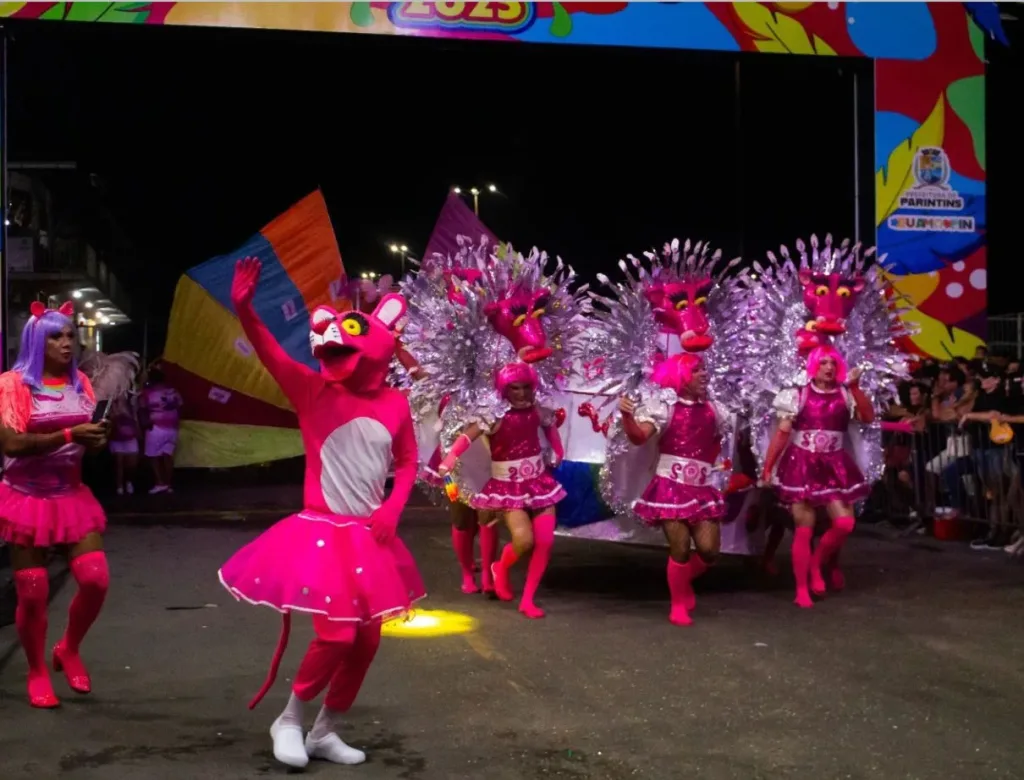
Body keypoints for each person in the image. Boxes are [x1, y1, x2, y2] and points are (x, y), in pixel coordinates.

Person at [218, 258, 424, 770]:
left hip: (371, 536)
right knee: (337, 634)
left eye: (352, 335)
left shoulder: (397, 403)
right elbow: (268, 352)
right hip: (322, 535)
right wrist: (245, 308)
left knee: (367, 639)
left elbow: (407, 460)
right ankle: (288, 718)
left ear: (380, 343)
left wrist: (394, 507)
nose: (334, 346)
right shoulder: (313, 390)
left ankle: (326, 729)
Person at [0, 301, 111, 708]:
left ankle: (68, 647)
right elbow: (11, 443)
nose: (68, 343)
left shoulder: (80, 382)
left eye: (69, 335)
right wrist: (70, 435)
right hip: (25, 497)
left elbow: (88, 443)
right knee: (32, 592)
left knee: (96, 579)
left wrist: (97, 440)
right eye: (56, 336)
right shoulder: (12, 385)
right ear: (35, 341)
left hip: (71, 494)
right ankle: (36, 670)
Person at [439, 362, 565, 618]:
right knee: (524, 540)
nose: (521, 393)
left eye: (526, 387)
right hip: (508, 487)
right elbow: (467, 436)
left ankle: (528, 599)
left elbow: (550, 429)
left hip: (539, 483)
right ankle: (499, 567)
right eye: (514, 388)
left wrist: (558, 451)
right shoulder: (493, 415)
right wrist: (451, 456)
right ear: (505, 390)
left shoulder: (539, 410)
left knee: (546, 542)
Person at [617, 353, 729, 626]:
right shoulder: (665, 408)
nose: (704, 374)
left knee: (710, 551)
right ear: (681, 378)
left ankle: (681, 582)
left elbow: (715, 443)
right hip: (670, 486)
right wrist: (627, 417)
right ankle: (678, 604)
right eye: (696, 371)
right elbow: (639, 437)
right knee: (679, 549)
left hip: (701, 488)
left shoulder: (717, 410)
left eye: (704, 369)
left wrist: (711, 471)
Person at [139, 365, 182, 494]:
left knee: (154, 457)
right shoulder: (173, 391)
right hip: (172, 428)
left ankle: (159, 483)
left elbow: (142, 408)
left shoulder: (147, 393)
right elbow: (180, 406)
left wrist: (145, 424)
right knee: (168, 456)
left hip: (155, 427)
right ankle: (168, 484)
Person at [109, 395, 140, 495]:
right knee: (119, 464)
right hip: (117, 438)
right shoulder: (111, 404)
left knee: (131, 465)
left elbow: (135, 419)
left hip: (131, 437)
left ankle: (128, 482)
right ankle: (119, 486)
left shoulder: (131, 404)